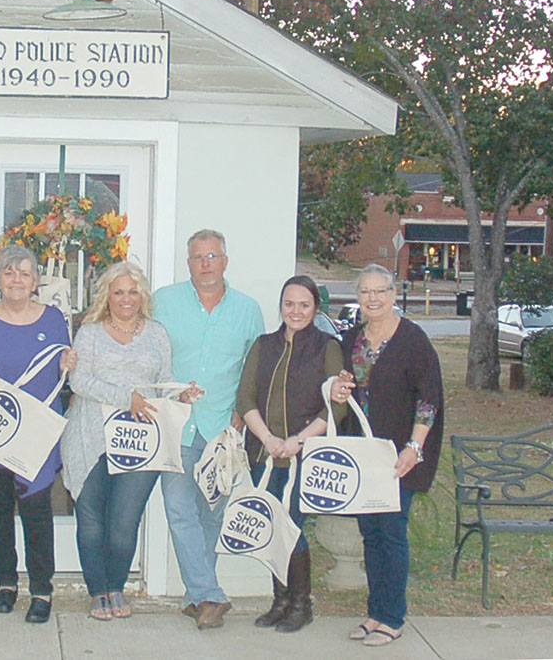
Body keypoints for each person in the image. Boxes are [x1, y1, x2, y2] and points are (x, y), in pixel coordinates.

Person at [62, 261, 202, 621]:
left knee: (125, 521)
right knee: (91, 519)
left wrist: (179, 395)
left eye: (133, 291)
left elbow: (163, 379)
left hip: (140, 443)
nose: (126, 299)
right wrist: (127, 398)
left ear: (142, 296)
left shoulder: (156, 333)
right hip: (89, 437)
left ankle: (116, 586)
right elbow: (79, 381)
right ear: (107, 296)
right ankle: (97, 591)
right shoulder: (90, 333)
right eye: (119, 292)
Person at [153, 229, 264, 630]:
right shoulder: (163, 302)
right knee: (179, 511)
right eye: (198, 257)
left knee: (211, 516)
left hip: (222, 431)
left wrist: (242, 411)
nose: (205, 264)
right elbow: (148, 353)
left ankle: (196, 598)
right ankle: (209, 594)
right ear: (188, 263)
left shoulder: (248, 310)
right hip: (176, 427)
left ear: (225, 261)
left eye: (212, 256)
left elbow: (256, 368)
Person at [0, 244, 78, 624]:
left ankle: (42, 590)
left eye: (24, 273)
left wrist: (68, 363)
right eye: (9, 272)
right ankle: (6, 584)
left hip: (34, 435)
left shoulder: (53, 319)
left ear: (35, 282)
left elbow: (64, 374)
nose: (16, 279)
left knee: (37, 512)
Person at [330, 263, 444, 647]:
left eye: (381, 291)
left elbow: (429, 399)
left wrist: (415, 448)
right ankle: (375, 612)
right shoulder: (351, 340)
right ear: (357, 297)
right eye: (366, 291)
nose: (373, 298)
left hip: (398, 455)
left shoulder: (413, 340)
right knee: (371, 534)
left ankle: (393, 617)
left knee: (392, 532)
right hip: (363, 454)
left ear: (393, 295)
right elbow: (341, 385)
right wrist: (338, 386)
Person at [236, 275, 344, 633]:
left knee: (291, 528)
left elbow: (336, 406)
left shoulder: (327, 347)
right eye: (289, 304)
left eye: (304, 305)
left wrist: (298, 439)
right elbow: (245, 397)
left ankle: (301, 604)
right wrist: (267, 438)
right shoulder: (264, 345)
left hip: (304, 455)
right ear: (281, 306)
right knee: (271, 526)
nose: (295, 311)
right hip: (265, 455)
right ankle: (280, 601)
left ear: (315, 308)